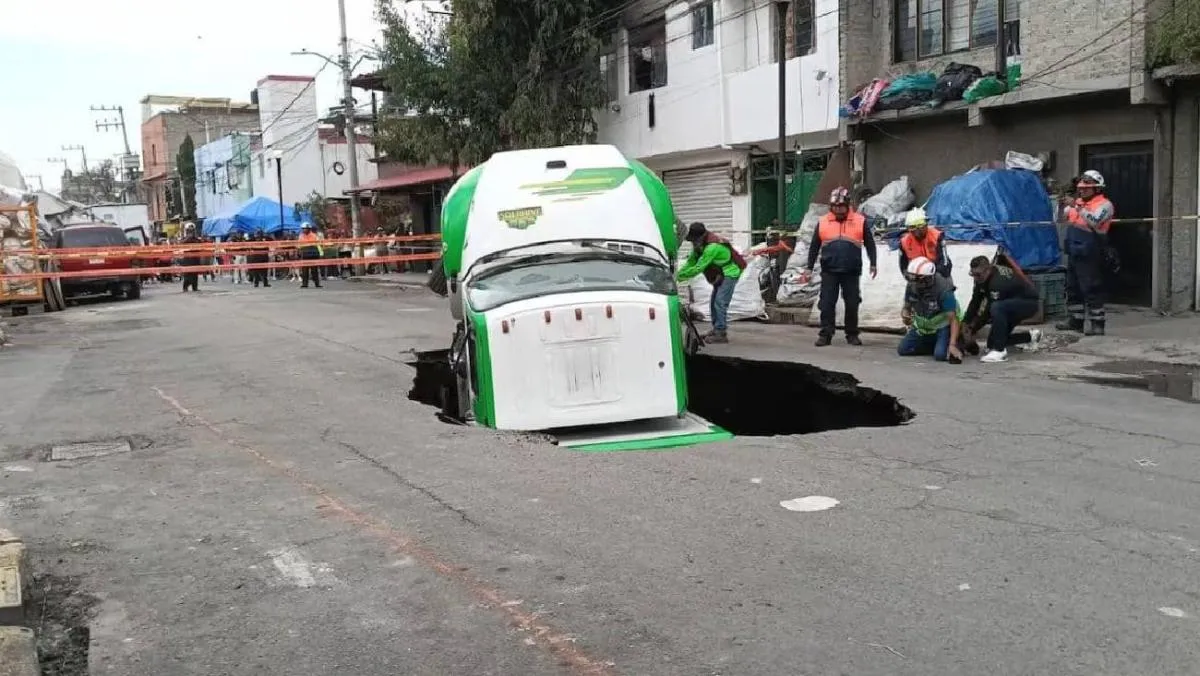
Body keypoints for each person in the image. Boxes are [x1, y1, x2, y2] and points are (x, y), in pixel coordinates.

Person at [801, 187, 878, 347]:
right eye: (835, 207)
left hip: (851, 271)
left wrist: (873, 263)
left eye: (841, 206)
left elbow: (870, 244)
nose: (838, 210)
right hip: (829, 270)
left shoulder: (859, 220)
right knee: (827, 303)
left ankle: (852, 334)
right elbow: (814, 246)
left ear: (848, 205)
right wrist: (808, 267)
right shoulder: (823, 222)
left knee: (852, 303)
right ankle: (825, 334)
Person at [1057, 170, 1114, 335]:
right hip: (1074, 251)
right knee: (1072, 288)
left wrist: (1076, 204)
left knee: (1092, 288)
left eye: (1086, 188)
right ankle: (1075, 320)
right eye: (1080, 188)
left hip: (1091, 251)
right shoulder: (1078, 203)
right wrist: (1061, 204)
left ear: (1097, 189)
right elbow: (1059, 219)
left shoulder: (1104, 205)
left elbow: (1095, 221)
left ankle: (1098, 324)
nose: (1081, 190)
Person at [961, 255, 1041, 363]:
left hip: (1027, 303)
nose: (975, 278)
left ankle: (1000, 351)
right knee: (991, 343)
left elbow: (988, 312)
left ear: (988, 270)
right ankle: (1031, 336)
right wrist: (965, 323)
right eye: (972, 274)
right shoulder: (981, 278)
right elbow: (975, 301)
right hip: (1009, 303)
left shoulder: (997, 283)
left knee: (996, 308)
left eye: (978, 275)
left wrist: (973, 329)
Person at [676, 221, 746, 344]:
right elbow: (691, 262)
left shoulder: (712, 247)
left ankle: (721, 333)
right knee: (714, 302)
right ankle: (716, 329)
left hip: (730, 273)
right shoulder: (700, 245)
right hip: (720, 274)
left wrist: (678, 277)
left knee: (720, 302)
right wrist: (678, 274)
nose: (693, 243)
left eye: (694, 240)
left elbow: (699, 268)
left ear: (700, 237)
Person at [898, 256, 962, 364]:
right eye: (911, 278)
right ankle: (936, 344)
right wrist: (905, 315)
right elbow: (906, 307)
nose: (914, 283)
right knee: (903, 350)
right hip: (923, 327)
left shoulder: (944, 288)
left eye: (918, 279)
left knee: (940, 355)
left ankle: (955, 343)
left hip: (942, 327)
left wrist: (952, 345)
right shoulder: (912, 285)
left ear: (928, 279)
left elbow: (953, 319)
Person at [897, 207, 951, 278]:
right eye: (912, 227)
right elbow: (903, 266)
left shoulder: (937, 236)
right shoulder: (904, 242)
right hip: (916, 276)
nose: (917, 231)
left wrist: (930, 273)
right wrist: (909, 276)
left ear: (926, 224)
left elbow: (944, 263)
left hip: (937, 273)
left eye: (920, 226)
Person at [178, 222, 204, 293]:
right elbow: (181, 244)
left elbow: (201, 244)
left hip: (195, 258)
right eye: (189, 230)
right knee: (187, 274)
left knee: (195, 274)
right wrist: (188, 238)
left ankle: (195, 287)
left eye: (192, 230)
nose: (191, 232)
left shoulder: (196, 239)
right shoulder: (184, 239)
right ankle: (185, 287)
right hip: (187, 259)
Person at [298, 223, 323, 288]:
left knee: (314, 270)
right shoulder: (301, 236)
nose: (304, 230)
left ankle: (317, 284)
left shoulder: (314, 236)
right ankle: (304, 284)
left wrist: (320, 254)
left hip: (313, 253)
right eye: (303, 229)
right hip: (305, 254)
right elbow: (299, 245)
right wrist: (299, 252)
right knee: (304, 270)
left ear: (309, 229)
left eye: (305, 229)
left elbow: (318, 245)